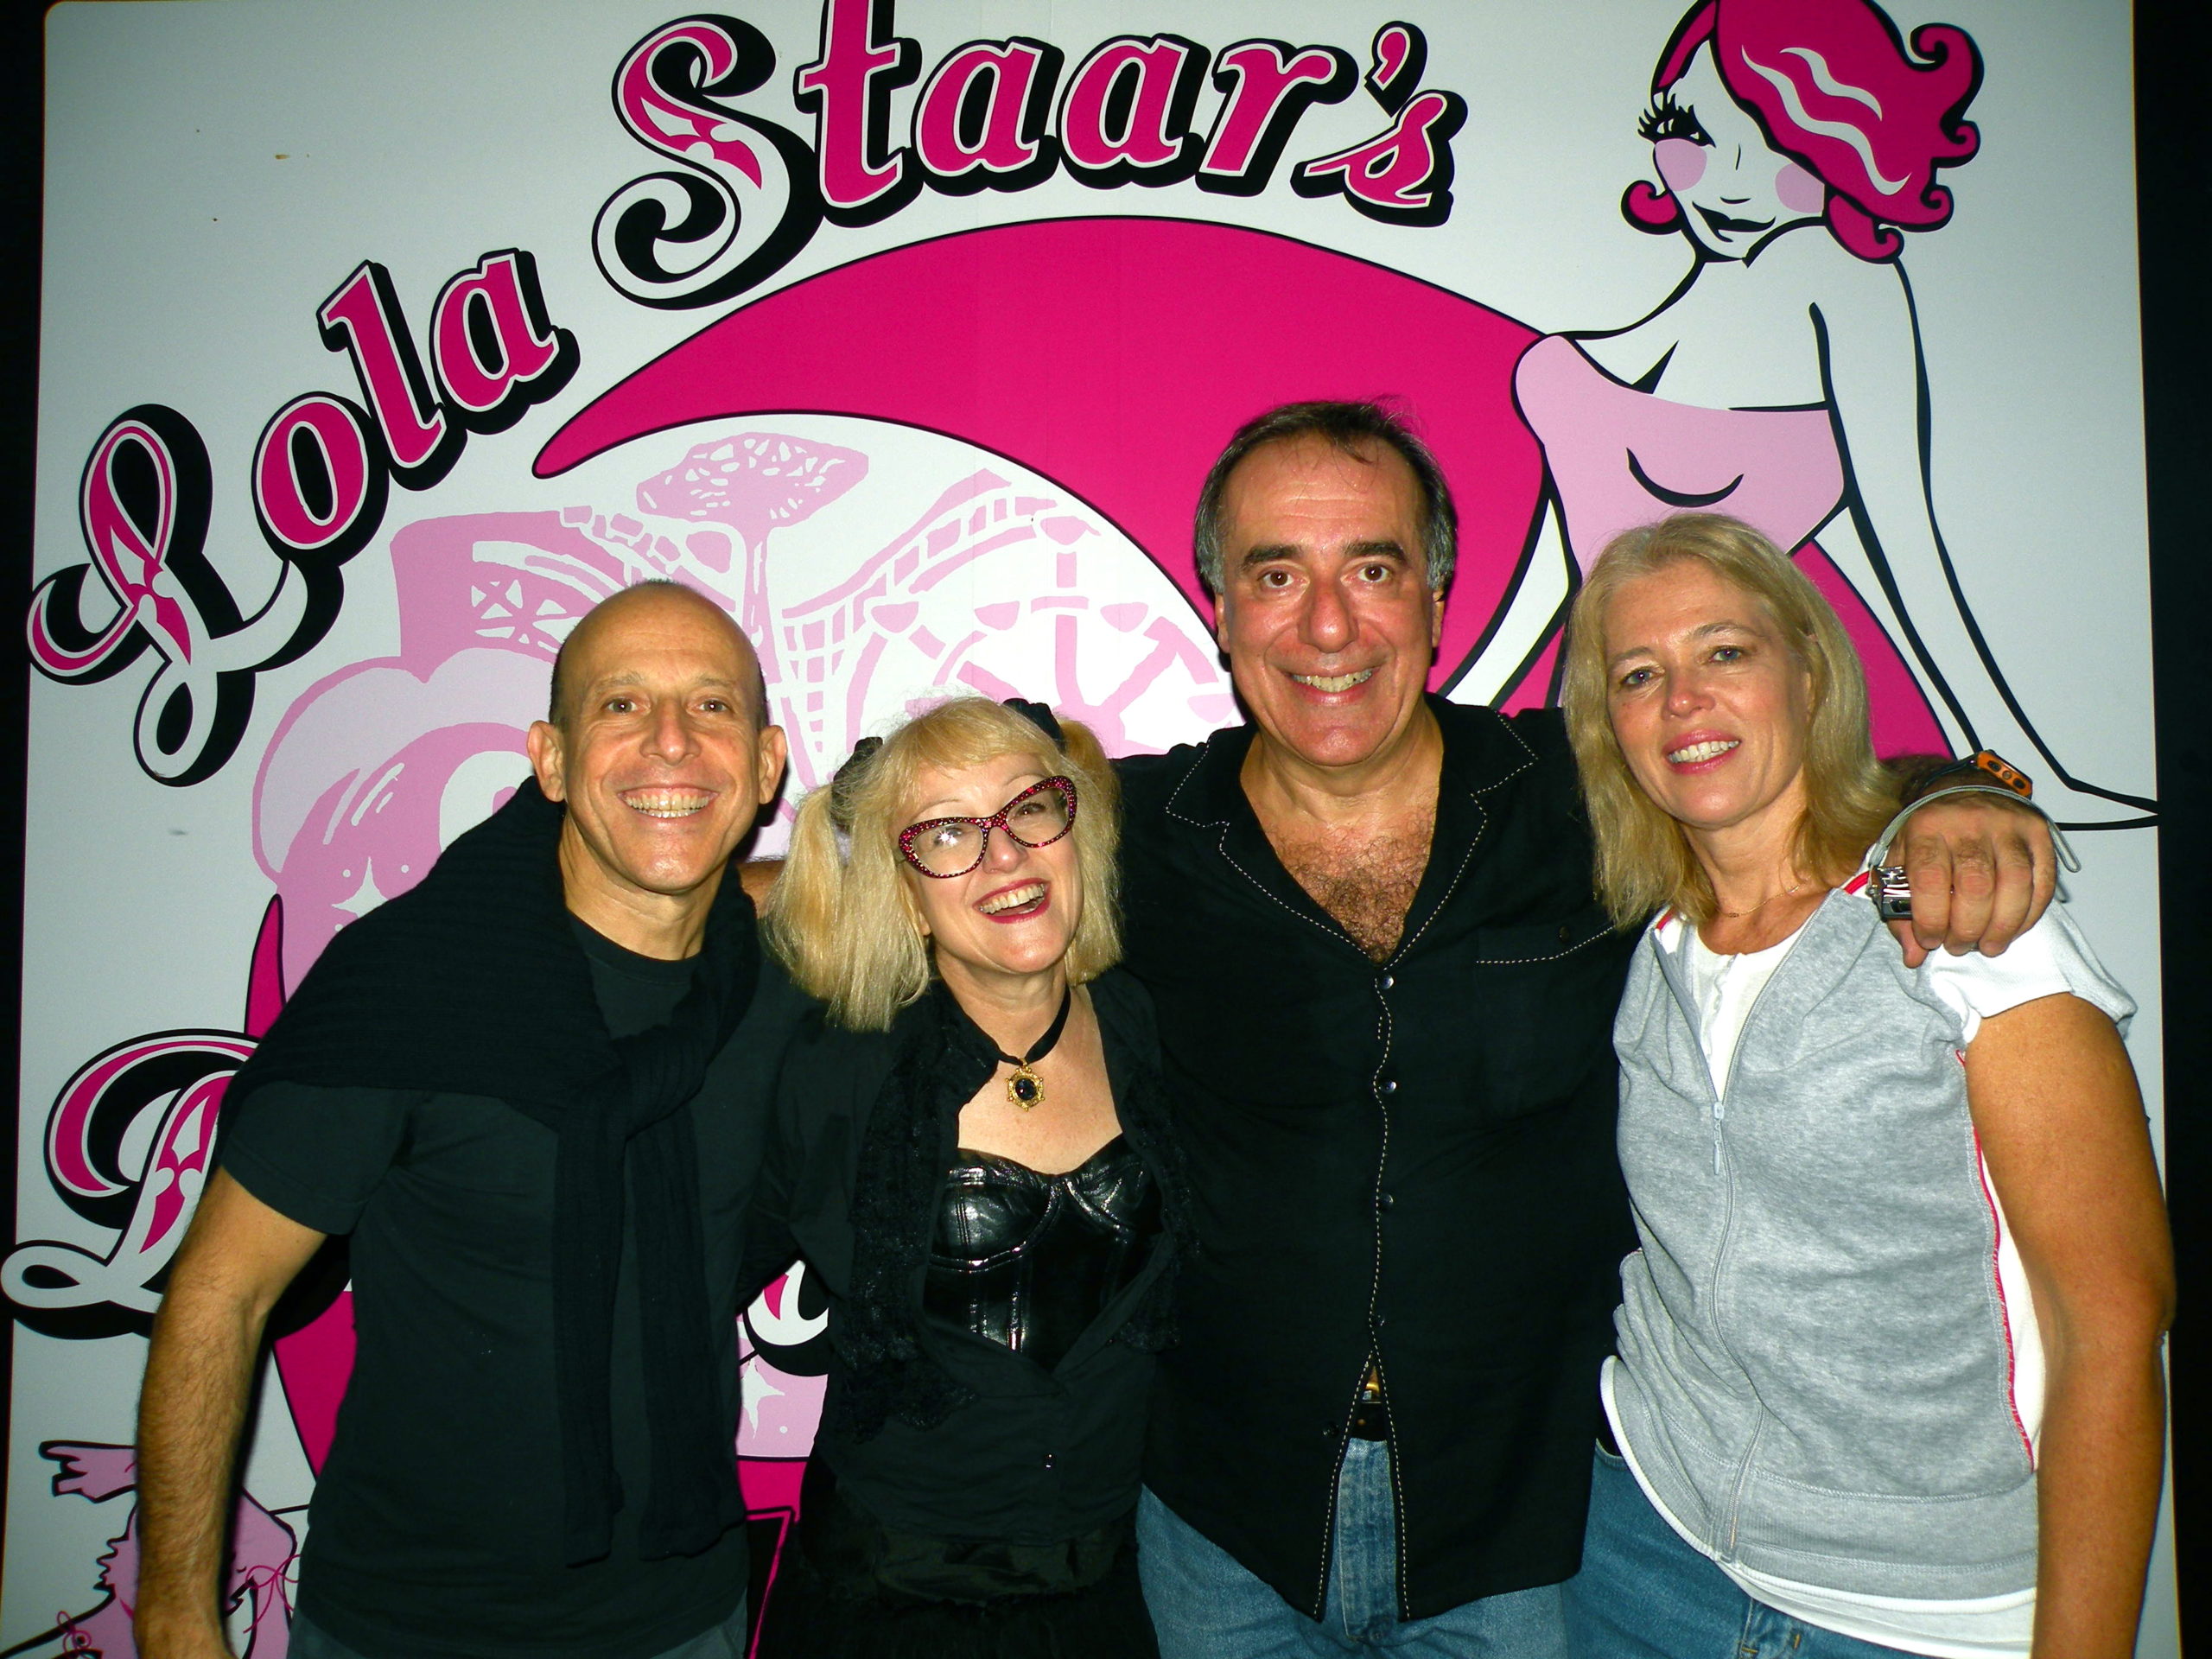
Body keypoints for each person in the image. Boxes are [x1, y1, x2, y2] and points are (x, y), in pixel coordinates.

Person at [1103, 401, 2059, 1658]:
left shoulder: (1588, 792)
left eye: (1373, 569)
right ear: (1221, 610)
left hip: (1524, 1531)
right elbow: (928, 824)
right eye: (1277, 575)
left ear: (1437, 600)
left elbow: (1810, 792)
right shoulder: (1129, 834)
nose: (1328, 626)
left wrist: (1962, 796)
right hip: (1225, 1524)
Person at [133, 580, 801, 1659]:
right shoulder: (411, 984)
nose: (671, 742)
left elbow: (907, 885)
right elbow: (220, 1294)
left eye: (711, 706)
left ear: (766, 766)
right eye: (621, 704)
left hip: (685, 1619)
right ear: (549, 759)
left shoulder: (776, 979)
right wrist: (174, 1618)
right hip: (407, 1625)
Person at [1555, 513, 2171, 1658]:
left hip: (1925, 1614)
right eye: (1639, 675)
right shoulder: (1651, 943)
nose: (1683, 700)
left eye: (1724, 651)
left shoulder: (1959, 924)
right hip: (1643, 1555)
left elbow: (2112, 1326)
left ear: (1808, 670)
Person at [1453, 0, 2152, 826]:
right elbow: (1550, 597)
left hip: (1711, 771)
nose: (1730, 181)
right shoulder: (1567, 368)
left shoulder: (1840, 281)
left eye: (1778, 145)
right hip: (1588, 771)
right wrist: (1445, 742)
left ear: (1847, 147)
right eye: (1693, 134)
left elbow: (1906, 551)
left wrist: (2013, 765)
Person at [748, 695, 1181, 1656]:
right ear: (902, 893)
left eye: (1030, 808)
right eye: (947, 833)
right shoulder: (834, 1071)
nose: (1005, 855)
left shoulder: (1153, 1026)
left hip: (1116, 1600)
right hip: (888, 1609)